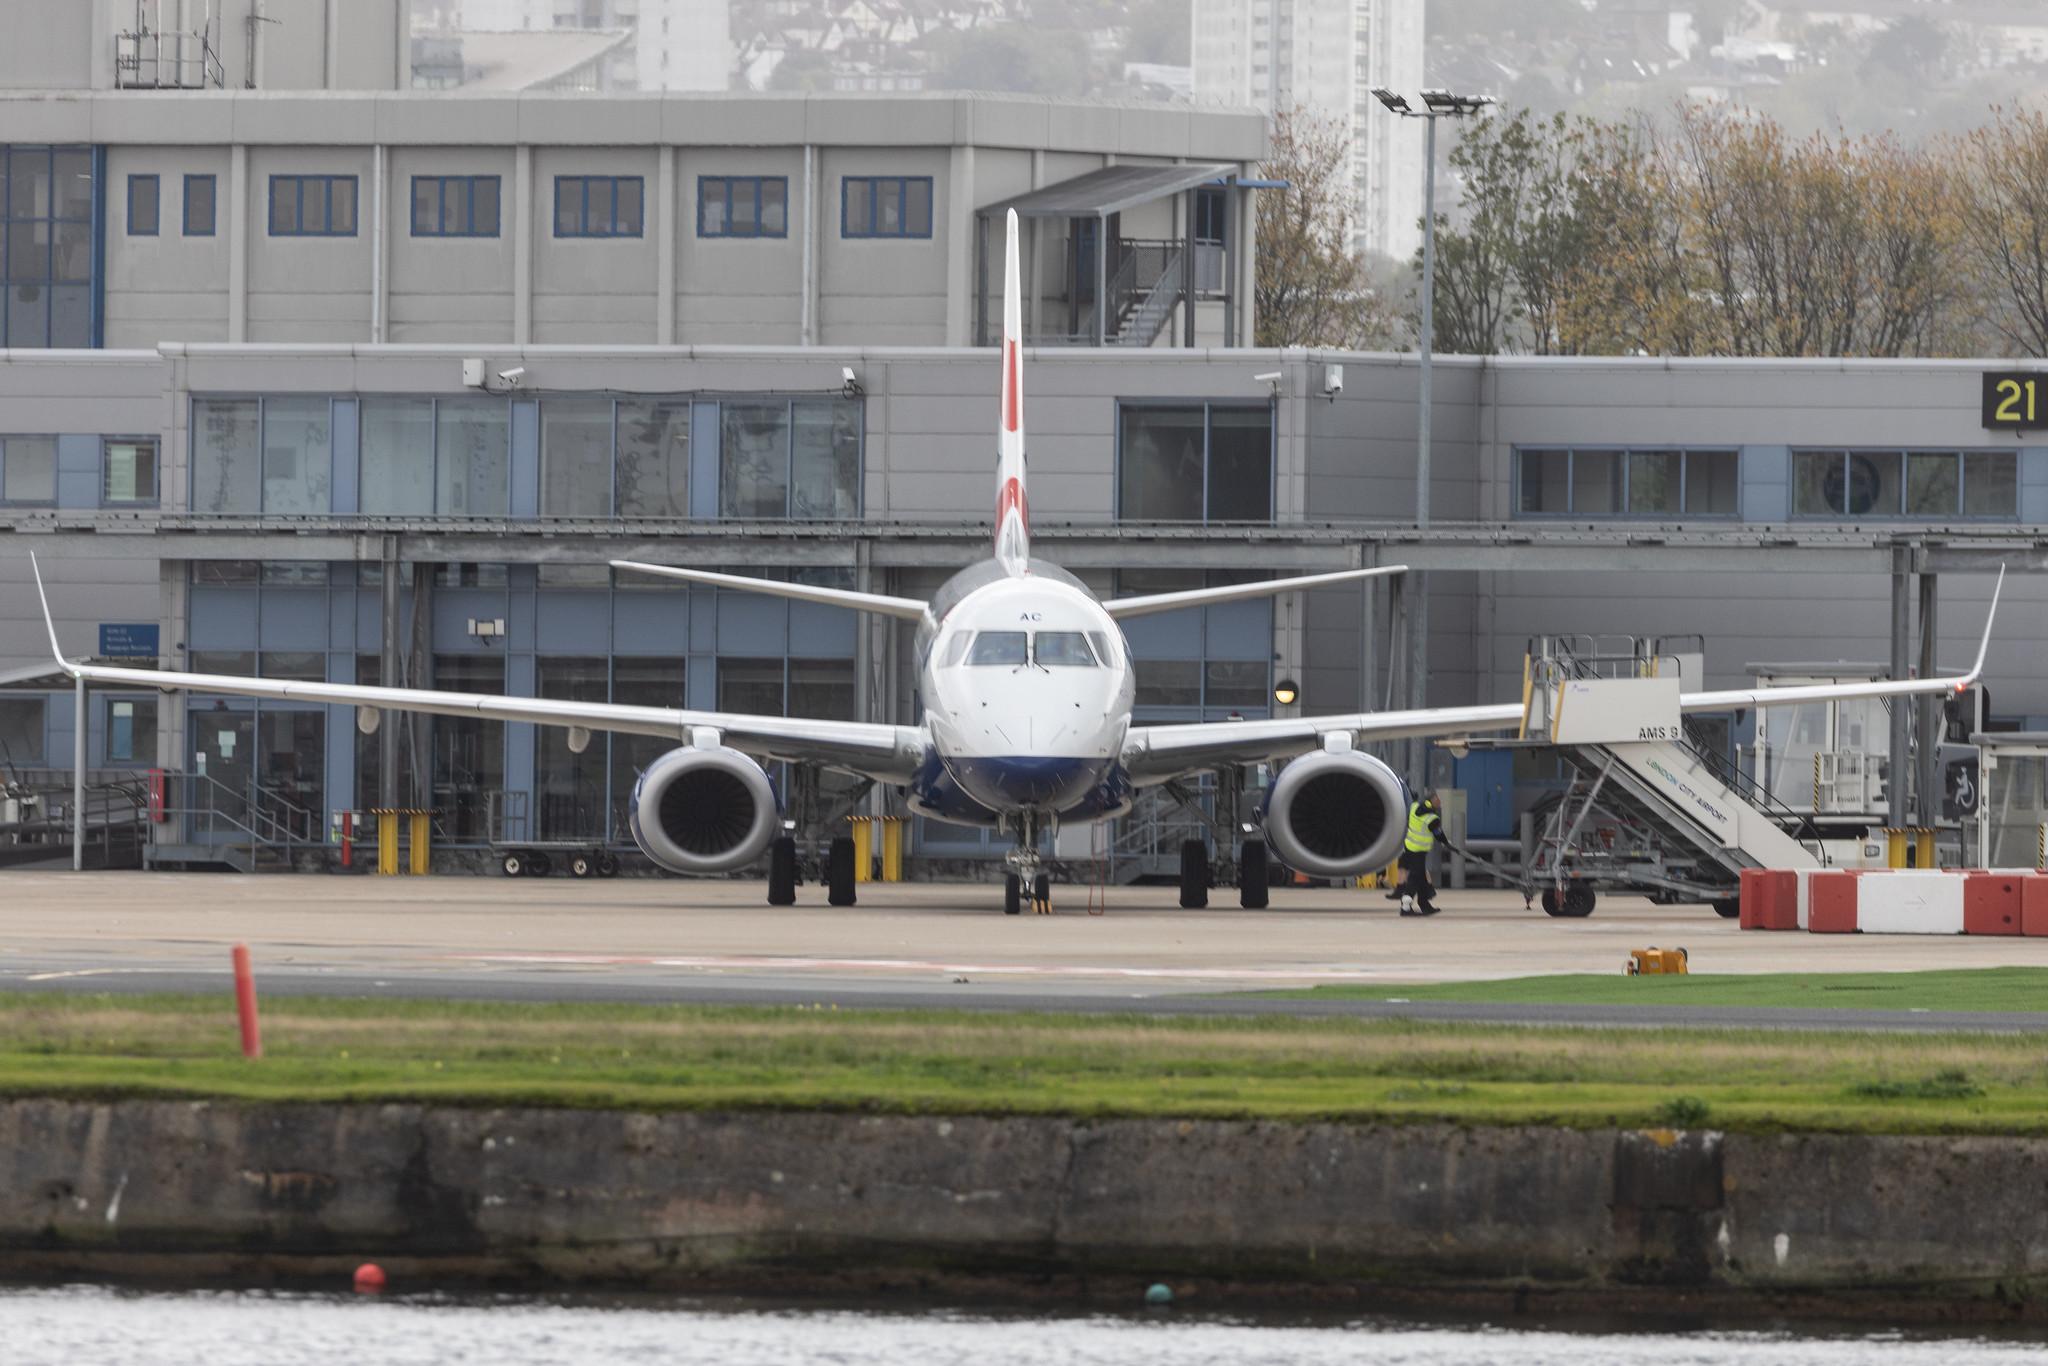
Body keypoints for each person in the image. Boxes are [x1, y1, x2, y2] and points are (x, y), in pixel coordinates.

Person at [1393, 789, 1451, 917]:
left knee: (1421, 877)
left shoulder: (1414, 807)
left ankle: (1424, 904)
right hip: (1418, 851)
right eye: (1438, 799)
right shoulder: (1432, 818)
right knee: (1415, 877)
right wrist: (1447, 844)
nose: (1440, 802)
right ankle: (1406, 907)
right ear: (1432, 801)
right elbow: (1438, 834)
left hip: (1409, 847)